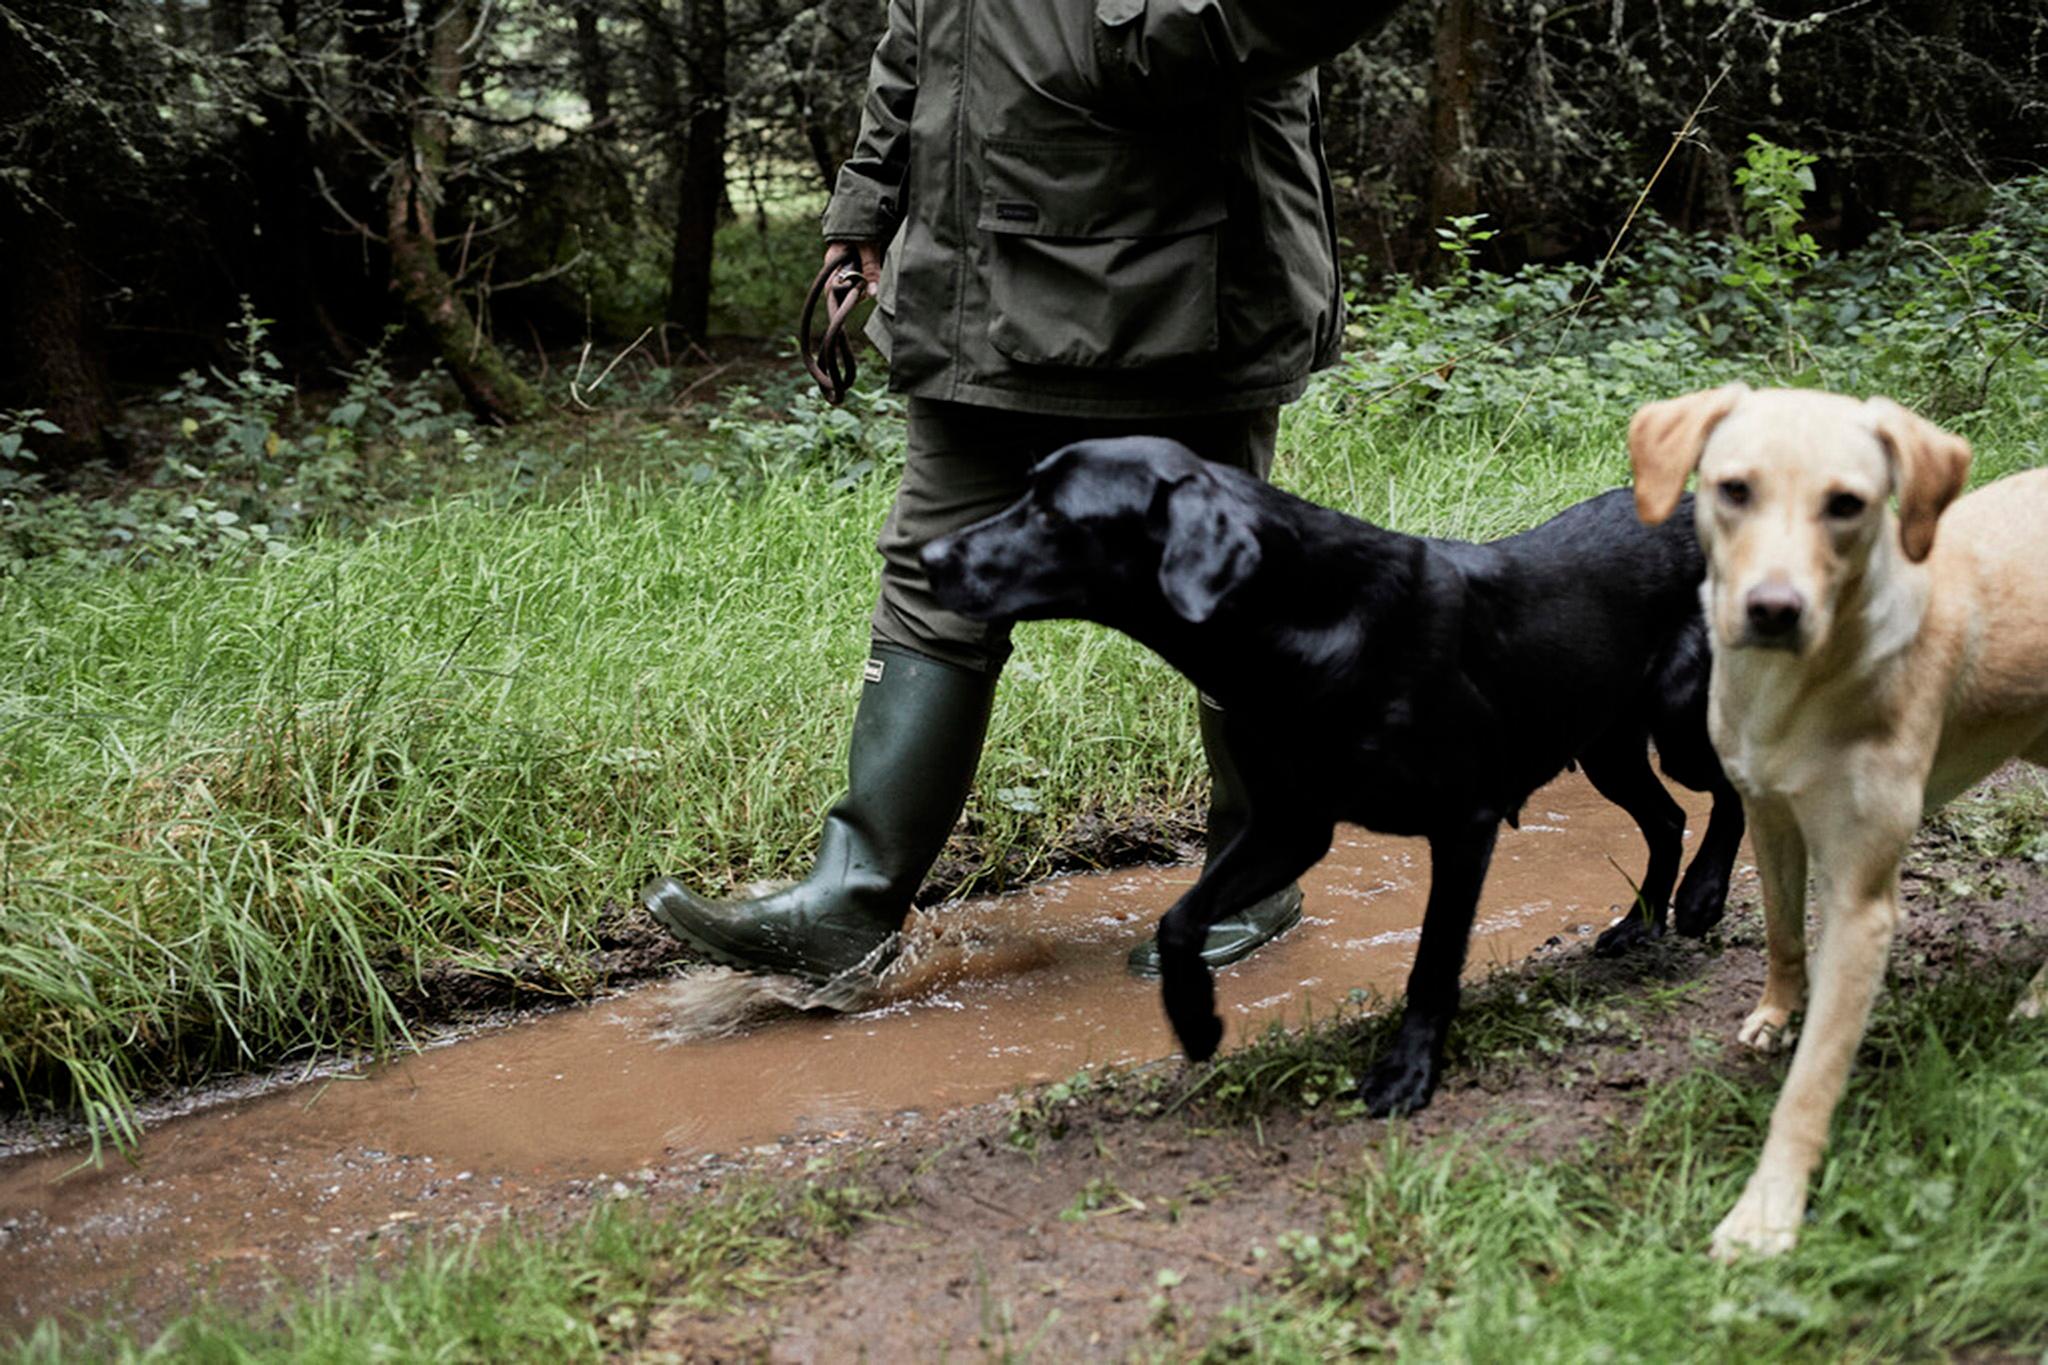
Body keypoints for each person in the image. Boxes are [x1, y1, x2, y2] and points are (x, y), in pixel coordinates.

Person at [642, 1, 1405, 985]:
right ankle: (851, 900)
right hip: (963, 281)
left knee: (1214, 586)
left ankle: (1254, 876)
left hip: (1173, 274)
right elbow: (916, 34)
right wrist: (865, 209)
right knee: (934, 572)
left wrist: (1126, 37)